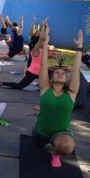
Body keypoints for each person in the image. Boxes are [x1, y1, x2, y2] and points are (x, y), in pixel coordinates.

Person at [33, 22, 83, 168]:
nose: (61, 74)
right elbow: (43, 66)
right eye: (57, 72)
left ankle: (56, 153)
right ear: (51, 78)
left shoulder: (71, 93)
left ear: (66, 78)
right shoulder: (45, 88)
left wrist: (79, 46)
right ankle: (47, 145)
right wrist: (46, 42)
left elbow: (76, 68)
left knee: (68, 146)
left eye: (63, 73)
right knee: (39, 146)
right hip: (41, 134)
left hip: (60, 134)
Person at [0, 21, 46, 89]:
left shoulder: (41, 48)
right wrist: (43, 26)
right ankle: (2, 83)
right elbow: (40, 38)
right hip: (32, 72)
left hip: (40, 71)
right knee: (19, 86)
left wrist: (34, 22)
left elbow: (39, 37)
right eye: (43, 41)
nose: (44, 41)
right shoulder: (36, 49)